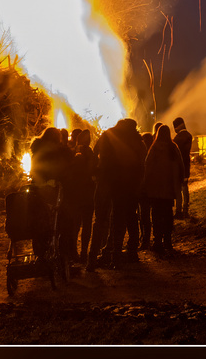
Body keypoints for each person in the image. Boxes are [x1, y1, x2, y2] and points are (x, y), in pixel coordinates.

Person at [94, 117, 147, 267]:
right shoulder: (137, 141)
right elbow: (142, 162)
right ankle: (132, 251)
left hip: (113, 183)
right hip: (131, 185)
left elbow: (96, 152)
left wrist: (99, 172)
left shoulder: (109, 135)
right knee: (131, 217)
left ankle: (113, 254)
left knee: (115, 218)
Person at [141, 124, 182, 256]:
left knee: (156, 215)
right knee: (168, 215)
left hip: (155, 189)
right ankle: (168, 241)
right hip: (169, 189)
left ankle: (157, 241)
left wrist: (145, 183)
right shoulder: (173, 147)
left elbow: (147, 167)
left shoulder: (154, 148)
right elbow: (180, 166)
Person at [60, 128, 97, 273]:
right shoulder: (90, 153)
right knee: (86, 224)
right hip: (87, 193)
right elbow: (93, 170)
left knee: (75, 224)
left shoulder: (73, 152)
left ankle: (74, 251)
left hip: (77, 194)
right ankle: (82, 252)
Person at [171, 119, 193, 219]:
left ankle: (179, 210)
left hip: (178, 166)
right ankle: (185, 209)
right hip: (186, 165)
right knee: (185, 187)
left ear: (178, 126)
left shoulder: (177, 138)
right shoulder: (189, 135)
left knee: (179, 188)